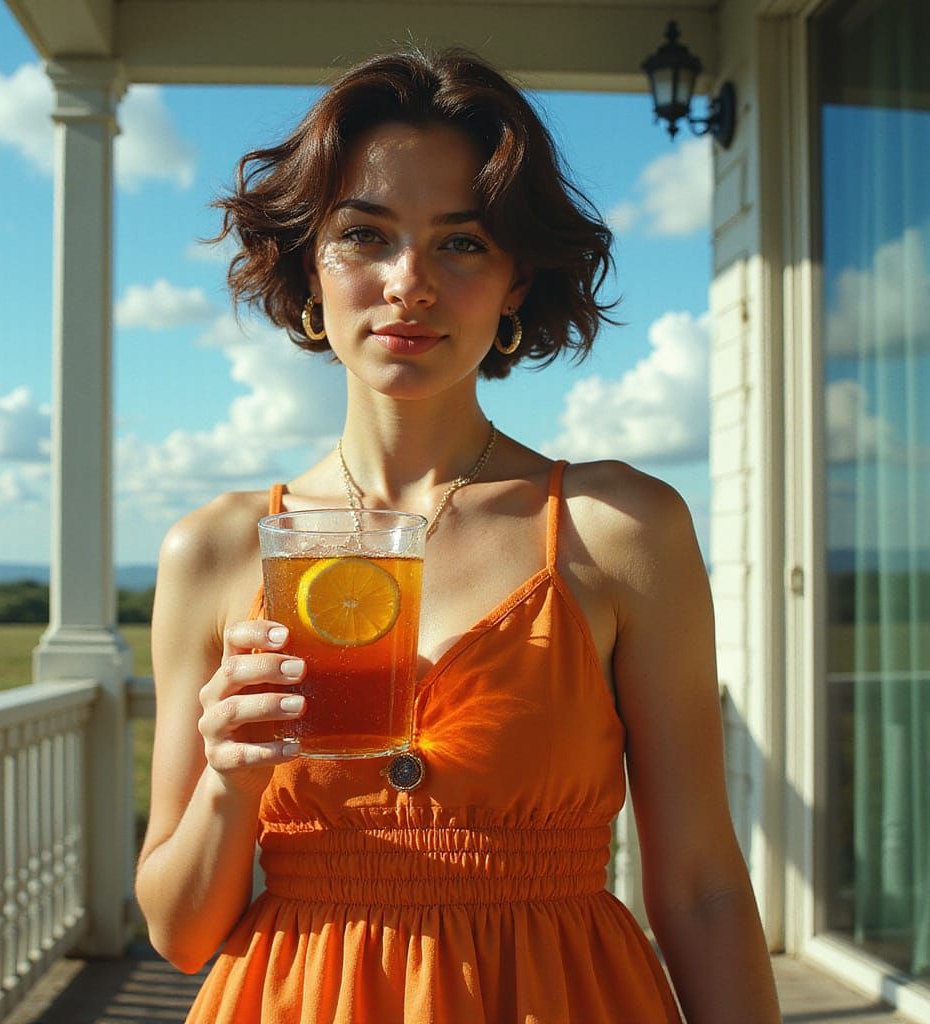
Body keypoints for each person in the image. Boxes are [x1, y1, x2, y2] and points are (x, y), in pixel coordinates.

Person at [134, 47, 782, 1024]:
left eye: (462, 243)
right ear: (312, 264)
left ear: (517, 278)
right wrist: (230, 781)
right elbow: (180, 933)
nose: (409, 283)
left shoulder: (619, 530)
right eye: (365, 234)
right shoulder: (220, 549)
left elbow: (699, 885)